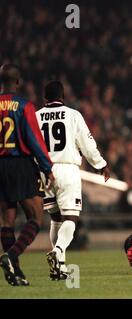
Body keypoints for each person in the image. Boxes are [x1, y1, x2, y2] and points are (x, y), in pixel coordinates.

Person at [36, 80, 110, 280]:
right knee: (71, 218)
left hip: (44, 171)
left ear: (45, 98)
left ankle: (59, 266)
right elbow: (87, 143)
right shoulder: (72, 115)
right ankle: (58, 251)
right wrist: (100, 163)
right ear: (63, 96)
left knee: (55, 218)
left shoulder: (35, 117)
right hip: (67, 169)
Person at [0, 63, 55, 286]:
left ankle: (16, 274)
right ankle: (11, 256)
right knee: (36, 216)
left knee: (7, 220)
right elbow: (34, 139)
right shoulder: (24, 105)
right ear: (18, 81)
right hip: (20, 163)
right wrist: (46, 167)